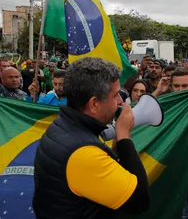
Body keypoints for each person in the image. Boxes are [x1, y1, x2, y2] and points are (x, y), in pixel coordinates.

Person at [33, 57, 149, 219]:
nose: (121, 101)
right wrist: (123, 136)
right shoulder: (83, 153)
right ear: (94, 104)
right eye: (115, 95)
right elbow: (139, 201)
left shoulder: (63, 125)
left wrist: (116, 144)